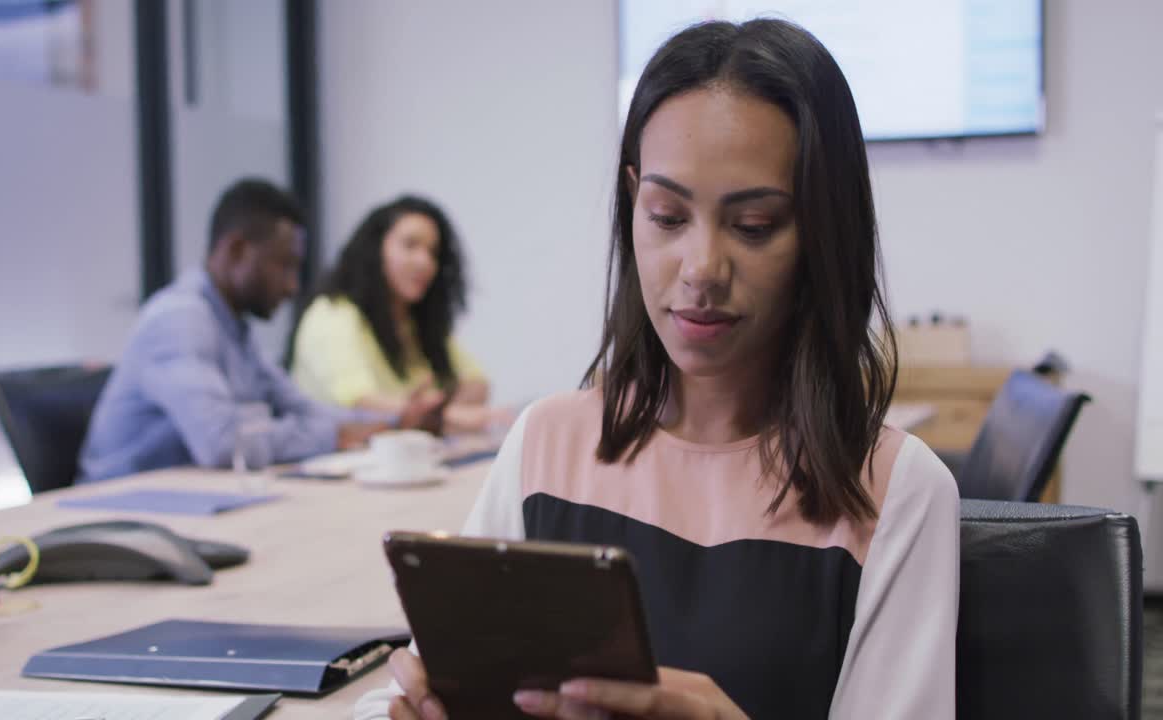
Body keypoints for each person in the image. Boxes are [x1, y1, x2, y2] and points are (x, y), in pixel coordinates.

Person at [356, 18, 958, 720]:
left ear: (824, 232)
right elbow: (414, 687)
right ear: (632, 201)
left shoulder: (895, 492)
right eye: (668, 216)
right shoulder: (548, 445)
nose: (701, 269)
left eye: (755, 226)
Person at [79, 179, 441, 483]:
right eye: (284, 266)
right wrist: (338, 434)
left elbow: (300, 408)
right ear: (237, 250)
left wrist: (391, 422)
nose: (292, 286)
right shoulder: (179, 320)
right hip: (119, 510)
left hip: (193, 498)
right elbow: (223, 443)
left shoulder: (235, 328)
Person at [290, 195, 498, 433]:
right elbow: (359, 403)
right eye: (410, 245)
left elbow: (478, 385)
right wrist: (442, 415)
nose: (425, 262)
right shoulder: (332, 314)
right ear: (375, 249)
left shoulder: (414, 322)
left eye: (433, 253)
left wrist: (432, 412)